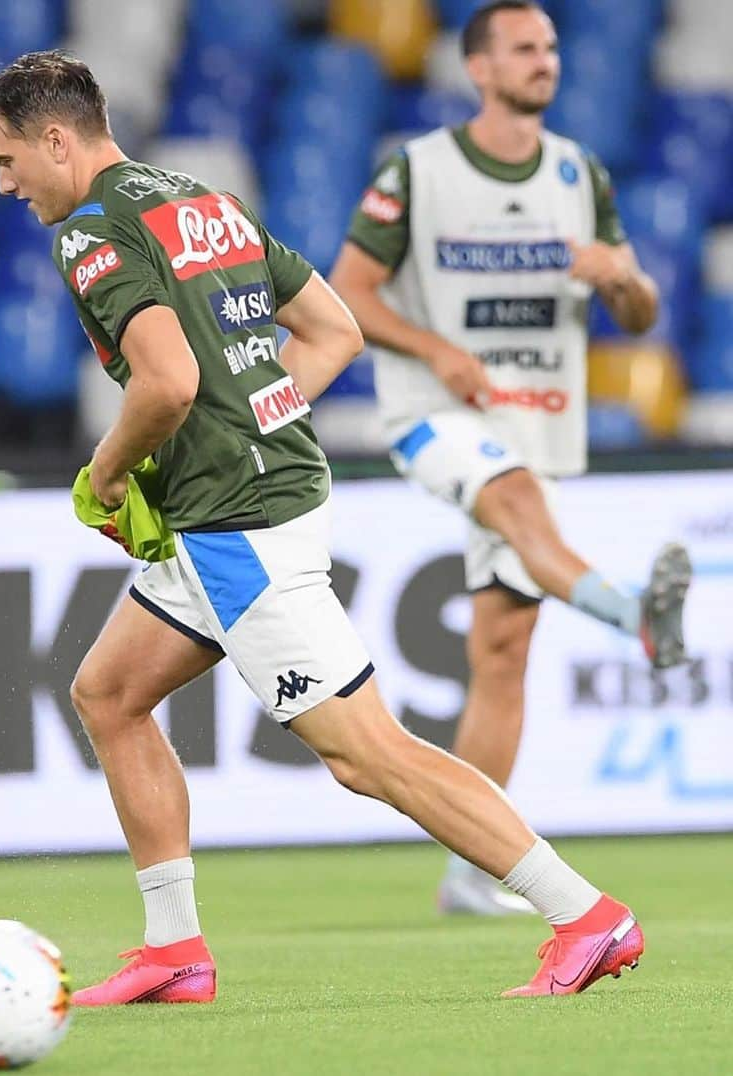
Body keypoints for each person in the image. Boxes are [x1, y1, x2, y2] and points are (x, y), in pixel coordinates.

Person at [0, 48, 645, 1005]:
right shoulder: (200, 199)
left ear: (56, 140)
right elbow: (334, 332)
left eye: (7, 161)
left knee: (366, 755)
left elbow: (168, 382)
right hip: (237, 505)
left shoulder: (90, 234)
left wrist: (107, 475)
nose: (4, 184)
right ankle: (174, 950)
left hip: (238, 526)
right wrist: (253, 421)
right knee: (110, 694)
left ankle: (585, 914)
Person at [328, 0, 690, 917]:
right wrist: (435, 350)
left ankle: (470, 874)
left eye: (553, 48)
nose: (547, 61)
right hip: (433, 414)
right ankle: (635, 616)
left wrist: (623, 281)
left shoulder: (580, 172)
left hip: (537, 418)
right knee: (520, 503)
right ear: (479, 68)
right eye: (525, 48)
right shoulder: (418, 171)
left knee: (502, 646)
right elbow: (348, 294)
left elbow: (643, 316)